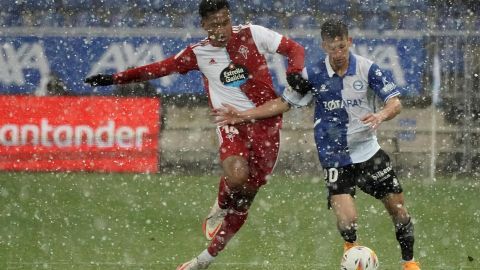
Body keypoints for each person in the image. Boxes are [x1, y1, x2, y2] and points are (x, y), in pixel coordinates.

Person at [85, 1, 311, 269]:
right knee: (237, 174)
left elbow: (295, 49)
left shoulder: (252, 33)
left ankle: (204, 260)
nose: (221, 29)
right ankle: (221, 200)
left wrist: (294, 72)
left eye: (225, 21)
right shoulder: (198, 53)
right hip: (231, 123)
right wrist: (115, 79)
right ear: (204, 25)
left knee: (245, 200)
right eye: (214, 24)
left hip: (267, 124)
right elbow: (159, 68)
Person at [213, 19, 421, 270]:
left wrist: (380, 115)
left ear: (349, 42)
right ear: (324, 46)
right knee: (348, 221)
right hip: (335, 157)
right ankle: (351, 255)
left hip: (368, 152)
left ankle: (409, 262)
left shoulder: (368, 69)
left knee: (398, 209)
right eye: (333, 48)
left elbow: (395, 103)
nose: (338, 53)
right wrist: (243, 115)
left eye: (342, 47)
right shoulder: (312, 75)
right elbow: (283, 103)